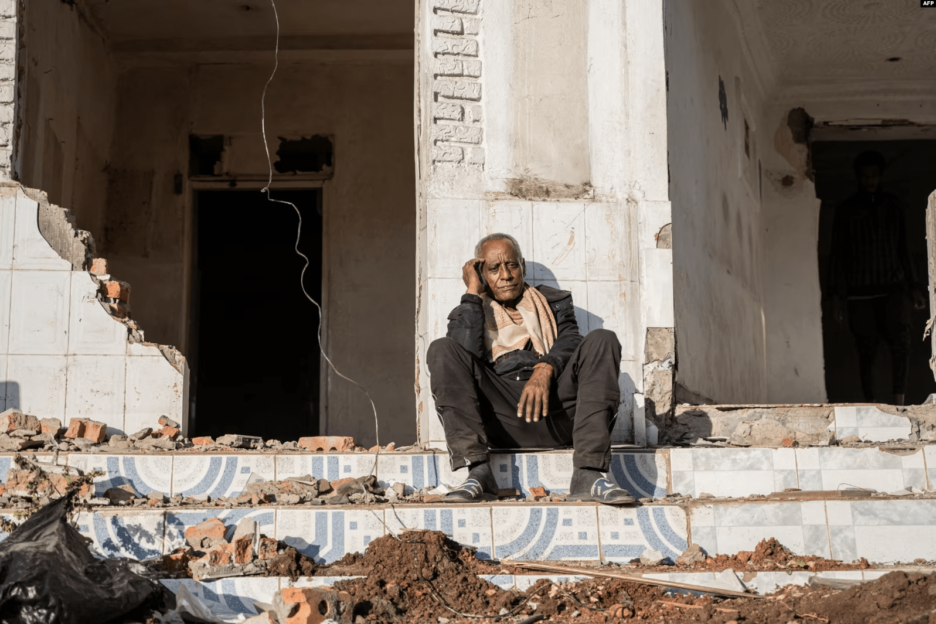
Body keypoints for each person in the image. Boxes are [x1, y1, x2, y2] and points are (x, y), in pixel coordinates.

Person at [426, 233, 635, 505]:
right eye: (493, 268)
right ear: (481, 273)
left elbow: (571, 339)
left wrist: (545, 367)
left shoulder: (552, 303)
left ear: (522, 266)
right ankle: (478, 473)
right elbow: (462, 355)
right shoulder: (471, 308)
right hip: (501, 419)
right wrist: (472, 294)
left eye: (512, 265)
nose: (506, 275)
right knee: (442, 349)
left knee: (603, 340)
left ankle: (588, 473)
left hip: (555, 413)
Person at [829, 150, 926, 405]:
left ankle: (899, 402)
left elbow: (904, 248)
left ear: (880, 176)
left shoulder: (893, 206)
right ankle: (870, 403)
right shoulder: (846, 210)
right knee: (866, 351)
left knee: (901, 345)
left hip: (894, 289)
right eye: (865, 176)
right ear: (858, 178)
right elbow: (837, 255)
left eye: (874, 175)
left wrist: (915, 286)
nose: (870, 180)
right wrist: (838, 297)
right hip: (859, 292)